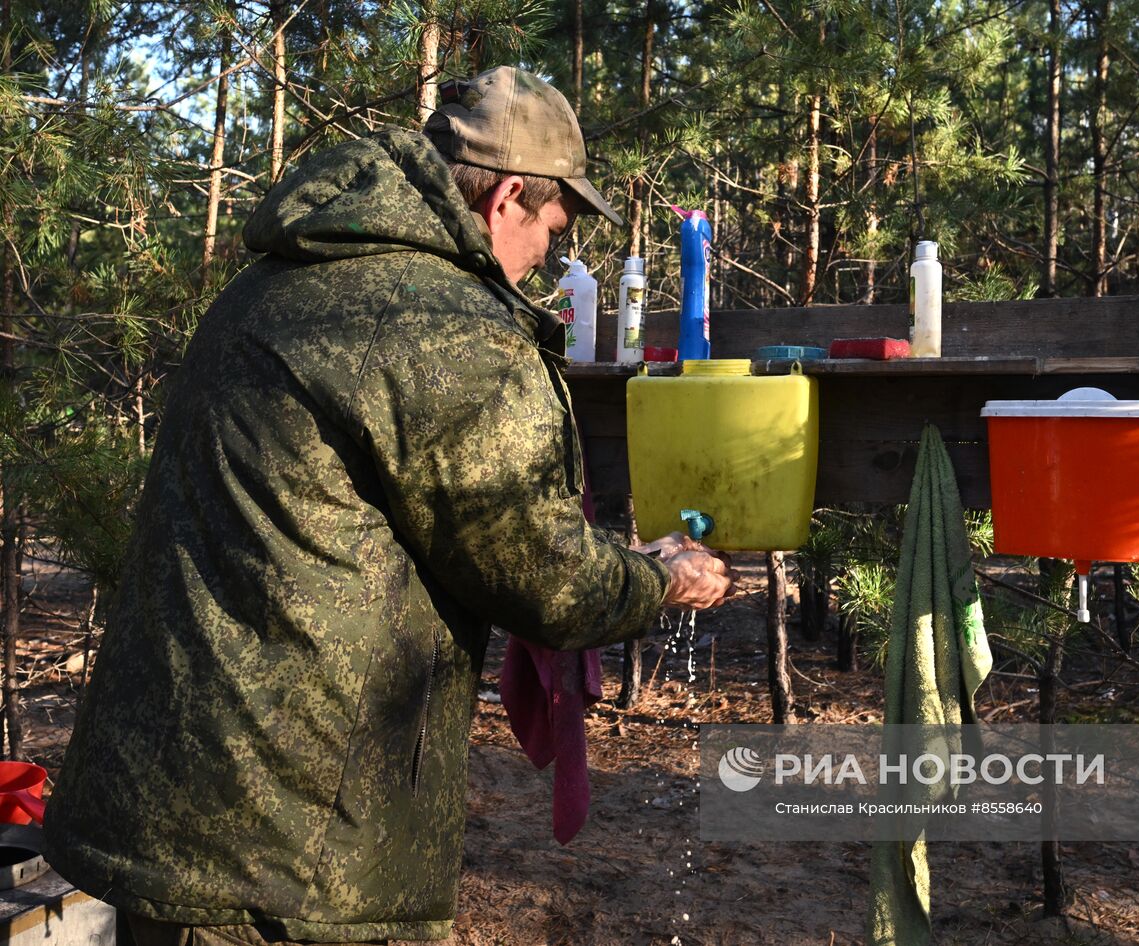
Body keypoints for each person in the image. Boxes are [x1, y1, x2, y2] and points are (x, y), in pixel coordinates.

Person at [44, 65, 735, 946]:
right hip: (291, 859)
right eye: (551, 234)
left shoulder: (278, 279)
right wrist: (657, 578)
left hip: (170, 803)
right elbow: (544, 577)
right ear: (509, 198)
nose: (544, 264)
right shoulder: (447, 330)